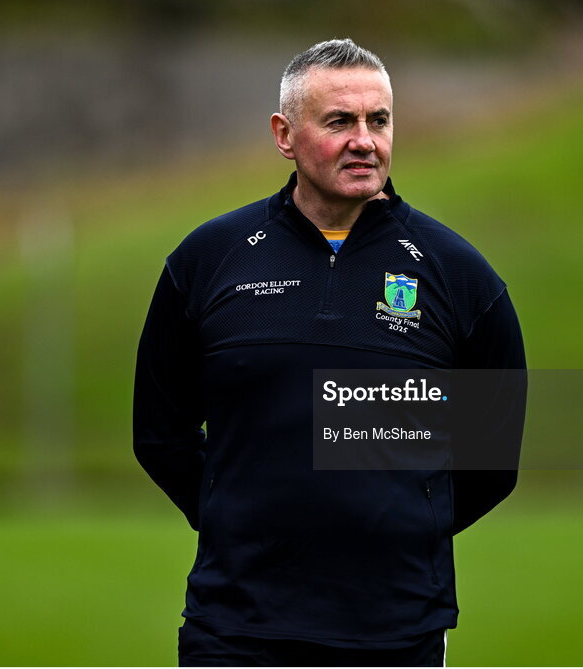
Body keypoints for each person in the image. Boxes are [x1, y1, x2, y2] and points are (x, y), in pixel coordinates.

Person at [134, 38, 526, 667]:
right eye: (340, 121)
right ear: (284, 135)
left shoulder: (460, 277)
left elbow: (492, 460)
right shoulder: (208, 260)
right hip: (235, 627)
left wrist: (400, 526)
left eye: (379, 120)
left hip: (396, 629)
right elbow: (160, 432)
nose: (365, 140)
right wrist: (235, 515)